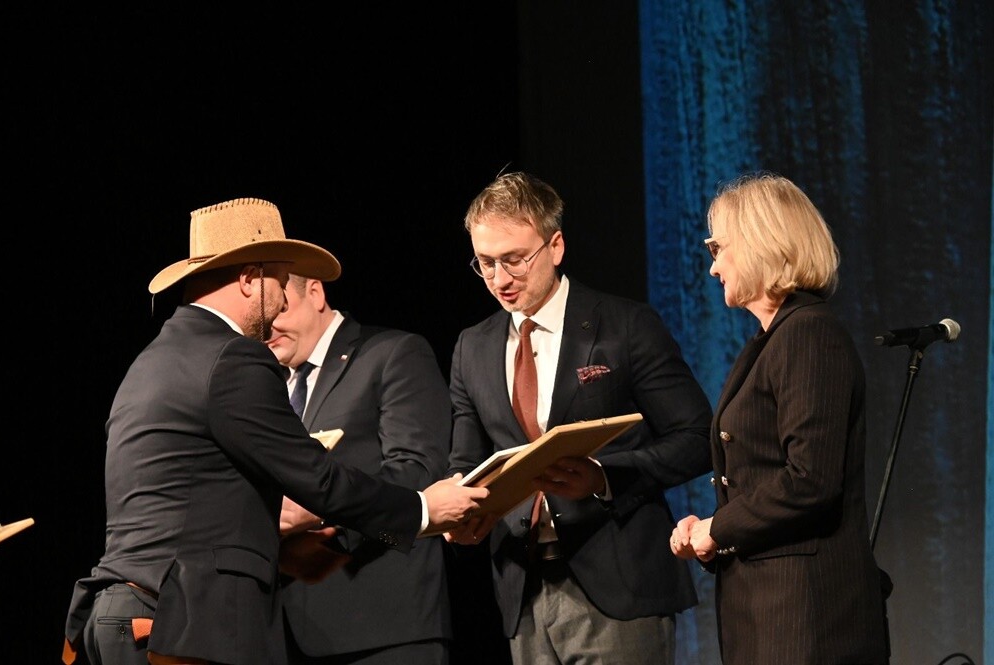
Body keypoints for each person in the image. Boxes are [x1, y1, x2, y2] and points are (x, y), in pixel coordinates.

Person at [62, 197, 487, 665]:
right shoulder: (231, 357)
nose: (283, 300)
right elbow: (317, 478)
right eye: (281, 283)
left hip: (123, 612)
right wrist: (422, 510)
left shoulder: (150, 363)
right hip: (177, 622)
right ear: (250, 278)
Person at [444, 172, 713, 665]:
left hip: (618, 586)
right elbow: (465, 459)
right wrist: (458, 506)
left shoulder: (626, 326)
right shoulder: (472, 347)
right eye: (485, 263)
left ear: (556, 246)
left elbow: (697, 437)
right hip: (523, 591)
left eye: (514, 259)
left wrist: (603, 477)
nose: (499, 279)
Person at [670, 173, 889, 664]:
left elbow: (810, 480)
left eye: (718, 248)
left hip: (808, 618)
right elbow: (761, 477)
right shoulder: (773, 339)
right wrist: (711, 532)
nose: (713, 267)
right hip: (769, 610)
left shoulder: (808, 334)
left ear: (760, 243)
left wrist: (719, 527)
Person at [265, 272, 454, 665]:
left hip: (383, 627)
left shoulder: (392, 353)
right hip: (283, 635)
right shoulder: (265, 388)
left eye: (279, 309)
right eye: (259, 319)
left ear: (315, 292)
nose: (268, 328)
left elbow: (417, 473)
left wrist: (321, 510)